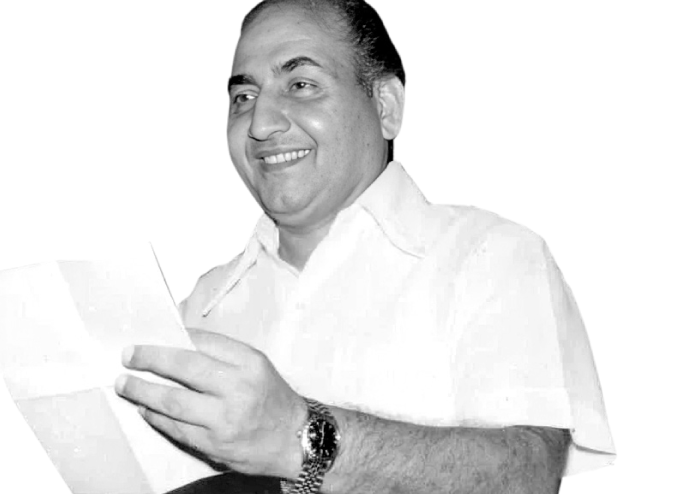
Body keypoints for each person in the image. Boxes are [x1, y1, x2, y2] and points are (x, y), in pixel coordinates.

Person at [115, 0, 616, 492]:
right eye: (243, 97)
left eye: (301, 85)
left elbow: (528, 478)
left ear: (385, 107)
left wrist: (300, 436)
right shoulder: (199, 308)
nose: (261, 123)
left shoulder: (491, 257)